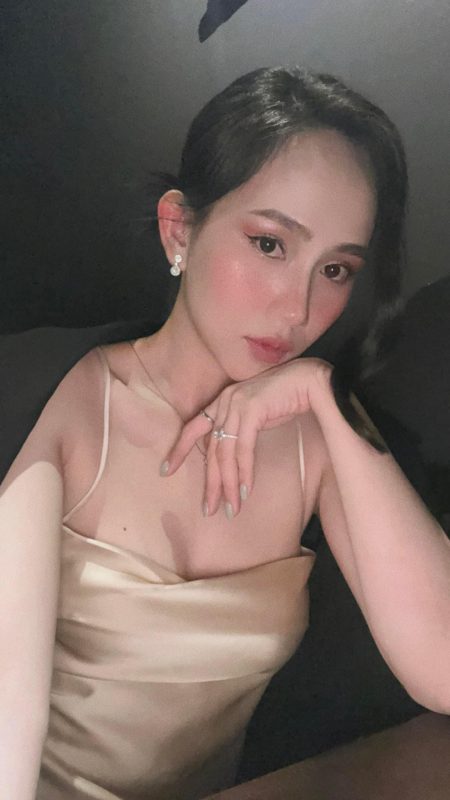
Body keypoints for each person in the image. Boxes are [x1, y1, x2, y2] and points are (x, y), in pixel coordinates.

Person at [1, 66, 449, 800]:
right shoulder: (67, 404)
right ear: (179, 229)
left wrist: (322, 390)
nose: (298, 308)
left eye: (336, 269)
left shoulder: (316, 442)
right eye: (270, 244)